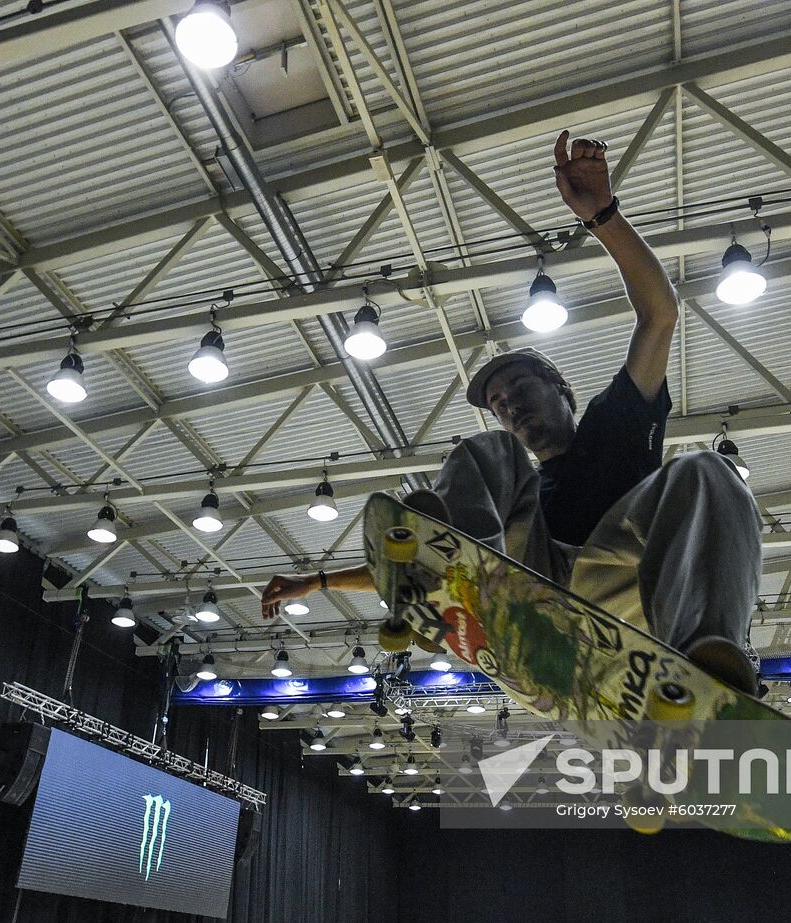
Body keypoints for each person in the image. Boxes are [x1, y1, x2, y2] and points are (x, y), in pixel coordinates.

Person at [261, 130, 762, 694]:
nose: (509, 405)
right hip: (536, 591)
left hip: (625, 588)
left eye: (520, 388)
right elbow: (404, 551)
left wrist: (604, 217)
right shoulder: (516, 484)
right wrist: (320, 581)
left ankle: (705, 660)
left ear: (559, 388)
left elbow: (660, 312)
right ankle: (473, 590)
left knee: (706, 471)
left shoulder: (616, 418)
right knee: (484, 450)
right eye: (498, 403)